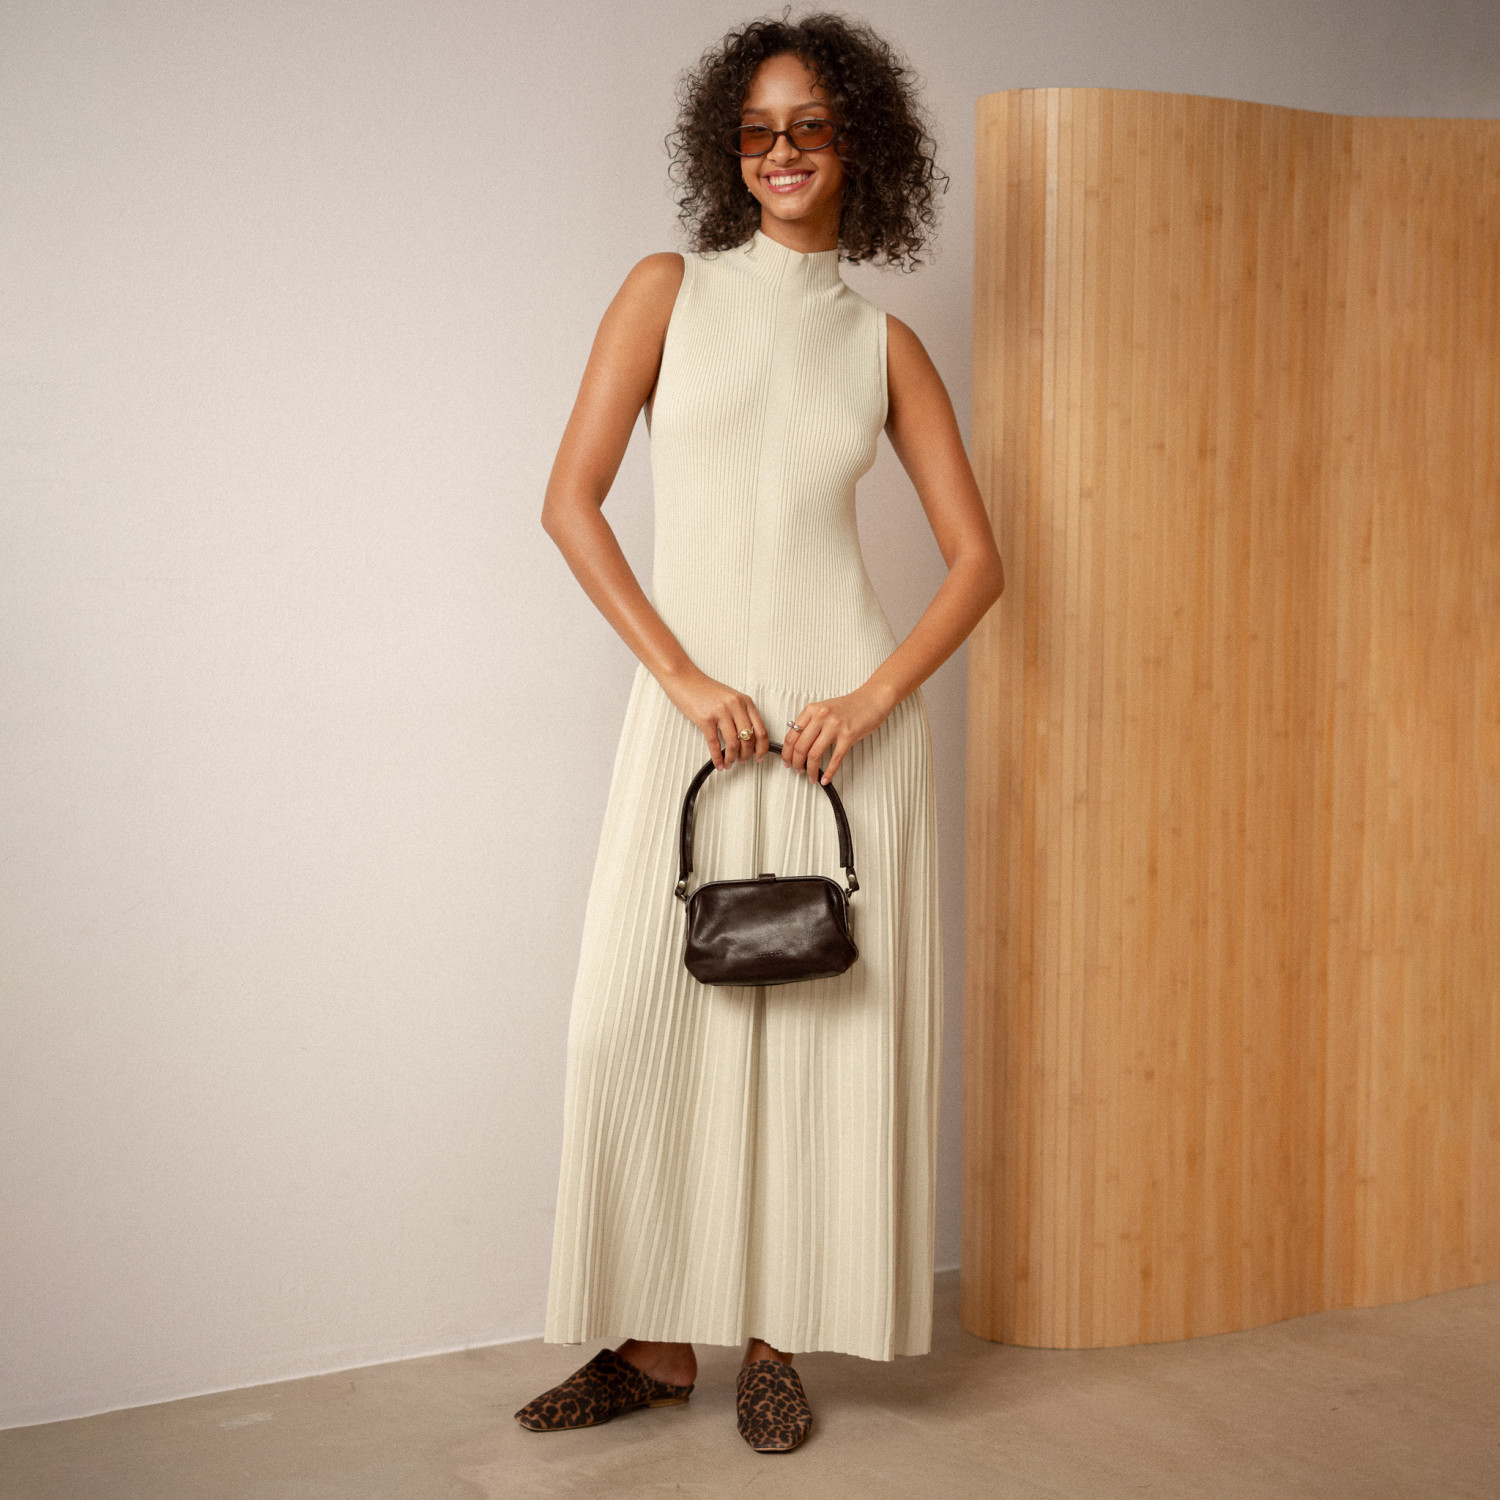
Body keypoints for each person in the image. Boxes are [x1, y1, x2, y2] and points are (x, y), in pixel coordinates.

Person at [514, 10, 1003, 1454]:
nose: (780, 152)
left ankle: (777, 1343)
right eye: (756, 131)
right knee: (629, 1022)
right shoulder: (666, 290)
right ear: (727, 150)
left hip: (840, 736)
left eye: (809, 128)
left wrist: (872, 697)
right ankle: (656, 1343)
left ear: (859, 146)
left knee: (815, 1041)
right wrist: (679, 676)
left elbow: (979, 562)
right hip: (698, 718)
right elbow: (570, 503)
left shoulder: (883, 343)